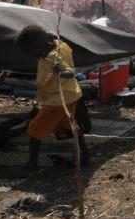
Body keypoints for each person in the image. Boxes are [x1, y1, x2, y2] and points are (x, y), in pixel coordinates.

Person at [15, 25, 89, 171]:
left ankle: (32, 163)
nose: (33, 57)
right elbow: (51, 34)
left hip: (58, 100)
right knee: (70, 126)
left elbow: (69, 72)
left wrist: (60, 72)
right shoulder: (59, 44)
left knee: (35, 127)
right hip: (69, 96)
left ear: (37, 46)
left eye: (31, 53)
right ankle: (85, 155)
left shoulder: (54, 57)